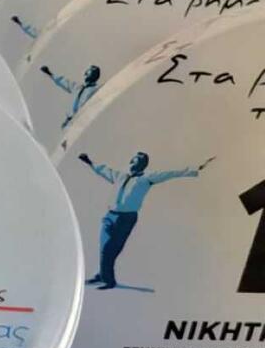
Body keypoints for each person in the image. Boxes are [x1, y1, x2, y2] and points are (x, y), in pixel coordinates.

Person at [79, 152, 213, 290]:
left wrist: (196, 168)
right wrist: (89, 162)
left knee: (111, 249)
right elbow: (103, 170)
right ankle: (103, 276)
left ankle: (108, 279)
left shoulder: (146, 178)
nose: (132, 162)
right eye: (132, 160)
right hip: (110, 216)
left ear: (142, 165)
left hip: (126, 219)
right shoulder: (119, 176)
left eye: (136, 161)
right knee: (104, 248)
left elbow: (170, 174)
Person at [41, 64, 101, 129]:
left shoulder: (96, 90)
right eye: (86, 72)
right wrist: (50, 74)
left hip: (83, 122)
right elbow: (64, 82)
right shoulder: (79, 88)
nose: (85, 74)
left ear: (93, 75)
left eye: (88, 72)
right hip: (71, 122)